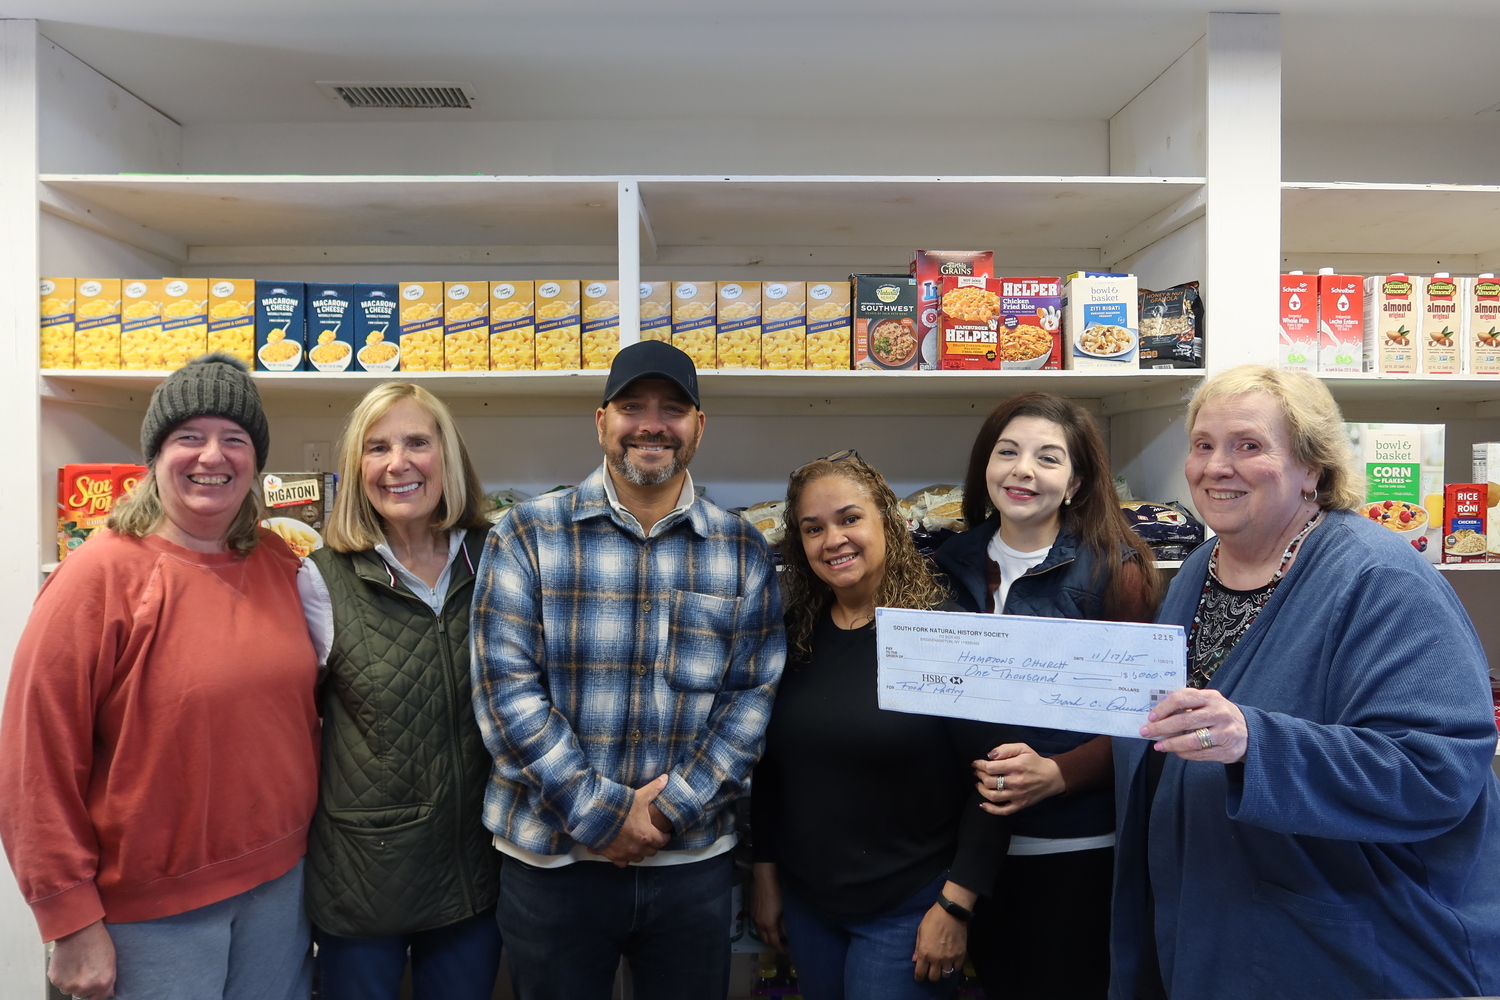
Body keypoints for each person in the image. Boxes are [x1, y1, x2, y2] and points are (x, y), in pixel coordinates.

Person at [1116, 366, 1500, 1000]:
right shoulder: (1197, 571)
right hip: (1219, 931)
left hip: (1352, 949)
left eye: (1249, 445)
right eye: (1203, 444)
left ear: (1312, 468)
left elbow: (1441, 770)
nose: (1216, 466)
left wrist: (1255, 743)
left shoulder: (1379, 578)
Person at [470, 339, 786, 1000]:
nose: (652, 423)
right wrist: (606, 815)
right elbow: (506, 696)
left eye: (673, 409)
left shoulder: (740, 549)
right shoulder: (525, 535)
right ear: (600, 422)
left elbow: (750, 700)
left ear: (699, 427)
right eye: (632, 406)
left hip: (691, 868)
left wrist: (665, 814)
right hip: (552, 863)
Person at [0, 354, 318, 1000]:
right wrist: (69, 919)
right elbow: (34, 760)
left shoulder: (280, 562)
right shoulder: (99, 575)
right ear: (155, 454)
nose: (213, 455)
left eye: (235, 439)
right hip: (151, 913)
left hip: (282, 887)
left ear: (256, 460)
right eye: (189, 437)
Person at [751, 452, 1011, 1000]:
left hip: (910, 907)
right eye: (813, 528)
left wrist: (955, 905)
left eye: (850, 519)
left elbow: (995, 781)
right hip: (809, 903)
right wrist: (766, 875)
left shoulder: (942, 632)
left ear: (886, 522)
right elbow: (772, 772)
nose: (833, 540)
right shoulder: (795, 632)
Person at [932, 391, 1160, 1000]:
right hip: (968, 855)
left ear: (1077, 483)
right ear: (986, 466)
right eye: (1007, 452)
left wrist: (1057, 774)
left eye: (1048, 458)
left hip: (1077, 848)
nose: (1023, 469)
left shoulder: (1118, 569)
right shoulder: (948, 564)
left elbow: (1150, 721)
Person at [298, 382, 502, 1000]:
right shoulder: (319, 578)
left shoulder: (500, 560)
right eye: (377, 447)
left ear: (448, 455)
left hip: (475, 873)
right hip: (363, 881)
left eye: (417, 441)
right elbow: (293, 726)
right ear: (356, 469)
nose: (398, 464)